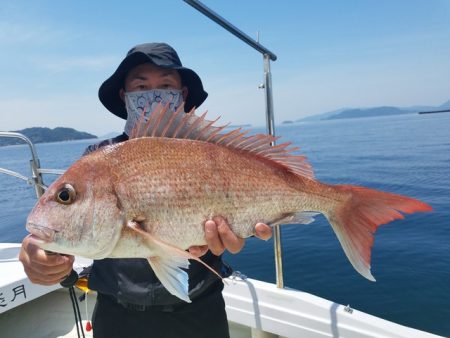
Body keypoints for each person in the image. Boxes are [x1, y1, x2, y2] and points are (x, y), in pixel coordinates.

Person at [19, 42, 272, 338]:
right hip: (117, 316)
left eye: (165, 84)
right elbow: (57, 234)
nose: (153, 93)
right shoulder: (97, 159)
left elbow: (238, 214)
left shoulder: (210, 150)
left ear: (182, 95)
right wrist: (39, 253)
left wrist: (243, 231)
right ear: (125, 96)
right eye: (141, 85)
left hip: (199, 310)